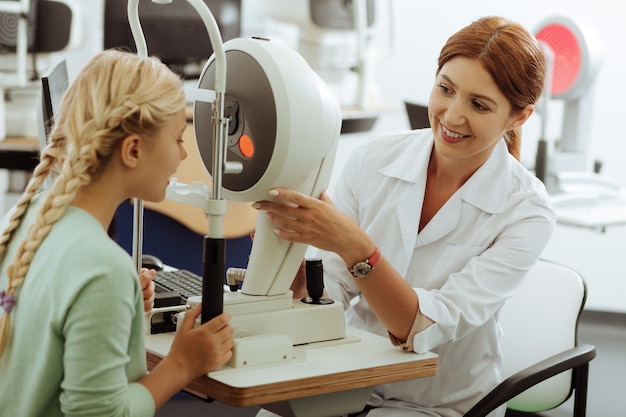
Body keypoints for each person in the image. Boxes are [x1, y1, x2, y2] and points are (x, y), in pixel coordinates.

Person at [252, 16, 556, 417]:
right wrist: (284, 261)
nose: (451, 115)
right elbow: (329, 293)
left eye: (479, 104)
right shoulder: (374, 160)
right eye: (445, 89)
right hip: (345, 379)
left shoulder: (527, 210)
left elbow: (423, 328)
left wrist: (354, 246)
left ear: (519, 117)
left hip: (434, 404)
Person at [0, 50, 234, 416]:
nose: (183, 155)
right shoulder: (103, 269)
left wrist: (122, 313)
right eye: (177, 139)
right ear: (134, 150)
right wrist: (181, 365)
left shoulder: (25, 218)